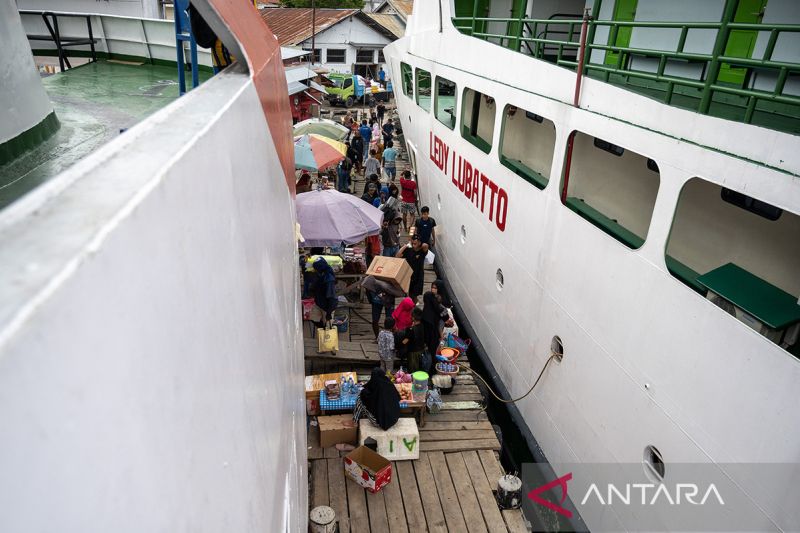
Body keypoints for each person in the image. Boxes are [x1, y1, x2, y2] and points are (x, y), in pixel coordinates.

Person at [396, 235, 429, 302]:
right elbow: (398, 256)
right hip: (409, 275)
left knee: (414, 295)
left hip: (418, 276)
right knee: (410, 294)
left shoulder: (422, 251)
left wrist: (420, 243)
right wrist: (406, 246)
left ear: (419, 242)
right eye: (413, 241)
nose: (414, 242)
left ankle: (414, 306)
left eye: (416, 242)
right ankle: (413, 306)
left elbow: (425, 246)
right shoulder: (408, 250)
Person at [308, 257, 337, 328]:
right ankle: (322, 328)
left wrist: (329, 313)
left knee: (328, 327)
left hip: (327, 306)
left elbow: (331, 297)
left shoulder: (329, 279)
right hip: (319, 303)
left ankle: (325, 330)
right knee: (313, 318)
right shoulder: (320, 275)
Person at [422, 291, 449, 357]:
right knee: (433, 349)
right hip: (434, 333)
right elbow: (446, 316)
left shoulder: (426, 308)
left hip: (426, 334)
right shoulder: (437, 307)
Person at [399, 308, 426, 373]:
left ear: (413, 318)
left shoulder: (411, 329)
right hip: (421, 350)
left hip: (413, 353)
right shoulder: (423, 325)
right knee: (419, 368)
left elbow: (404, 341)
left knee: (412, 370)